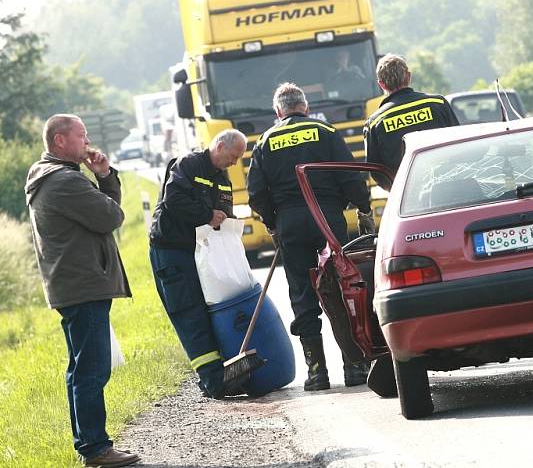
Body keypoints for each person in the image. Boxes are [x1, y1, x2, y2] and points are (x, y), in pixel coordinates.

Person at [25, 114, 140, 467]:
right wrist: (103, 180)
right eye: (81, 135)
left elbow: (108, 212)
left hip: (74, 284)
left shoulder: (53, 176)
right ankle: (95, 448)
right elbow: (112, 217)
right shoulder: (64, 182)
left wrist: (104, 176)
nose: (87, 141)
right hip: (83, 285)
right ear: (60, 141)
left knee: (81, 369)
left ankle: (89, 445)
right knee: (92, 370)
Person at [247, 82, 375, 391]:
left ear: (278, 112)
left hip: (291, 223)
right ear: (305, 107)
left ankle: (317, 372)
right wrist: (362, 207)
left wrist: (272, 222)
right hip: (328, 220)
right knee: (341, 288)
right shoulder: (326, 132)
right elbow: (349, 174)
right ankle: (355, 366)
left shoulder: (265, 142)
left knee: (303, 294)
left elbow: (255, 192)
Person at [148, 129, 247, 399]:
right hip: (171, 251)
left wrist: (229, 222)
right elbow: (174, 200)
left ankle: (218, 376)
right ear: (219, 145)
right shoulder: (188, 165)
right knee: (189, 313)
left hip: (198, 252)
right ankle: (213, 381)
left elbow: (224, 212)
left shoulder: (223, 179)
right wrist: (206, 215)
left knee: (209, 310)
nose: (234, 163)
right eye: (233, 156)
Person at [363, 53, 460, 190]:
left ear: (381, 84)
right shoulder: (438, 103)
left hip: (409, 201)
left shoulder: (374, 124)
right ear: (408, 76)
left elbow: (376, 171)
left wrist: (399, 191)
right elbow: (460, 145)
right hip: (451, 187)